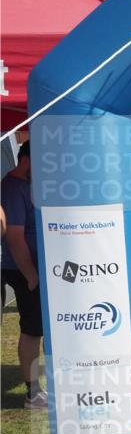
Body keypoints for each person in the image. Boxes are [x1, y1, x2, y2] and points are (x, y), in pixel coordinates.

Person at [1, 142, 47, 408]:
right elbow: (14, 238)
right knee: (32, 329)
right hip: (23, 269)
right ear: (26, 160)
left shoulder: (26, 186)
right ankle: (33, 393)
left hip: (37, 268)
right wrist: (30, 274)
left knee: (38, 328)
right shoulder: (12, 188)